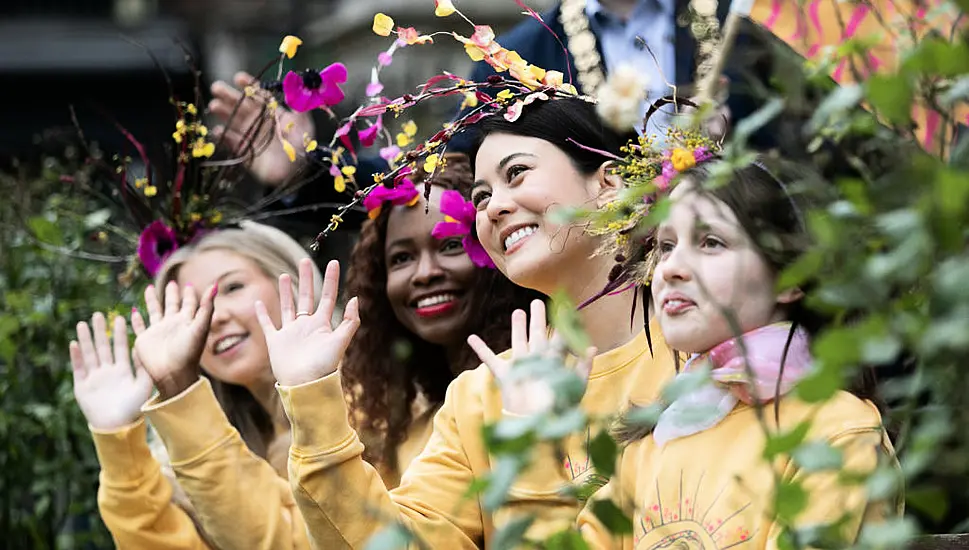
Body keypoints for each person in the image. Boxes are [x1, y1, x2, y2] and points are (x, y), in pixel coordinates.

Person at [256, 97, 680, 549]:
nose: (494, 207)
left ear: (610, 181)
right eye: (481, 197)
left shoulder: (708, 360)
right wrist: (312, 397)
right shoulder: (482, 396)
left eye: (516, 173)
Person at [472, 159, 900, 548]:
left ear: (792, 276)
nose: (670, 268)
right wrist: (530, 445)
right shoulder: (655, 439)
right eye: (667, 246)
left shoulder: (836, 430)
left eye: (711, 242)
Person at [71, 221, 319, 550]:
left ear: (291, 280)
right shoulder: (194, 456)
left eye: (232, 288)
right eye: (194, 309)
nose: (213, 318)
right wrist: (120, 444)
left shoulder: (374, 410)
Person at [340, 152, 541, 486]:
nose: (425, 274)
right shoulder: (407, 436)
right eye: (402, 258)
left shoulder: (545, 387)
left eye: (449, 246)